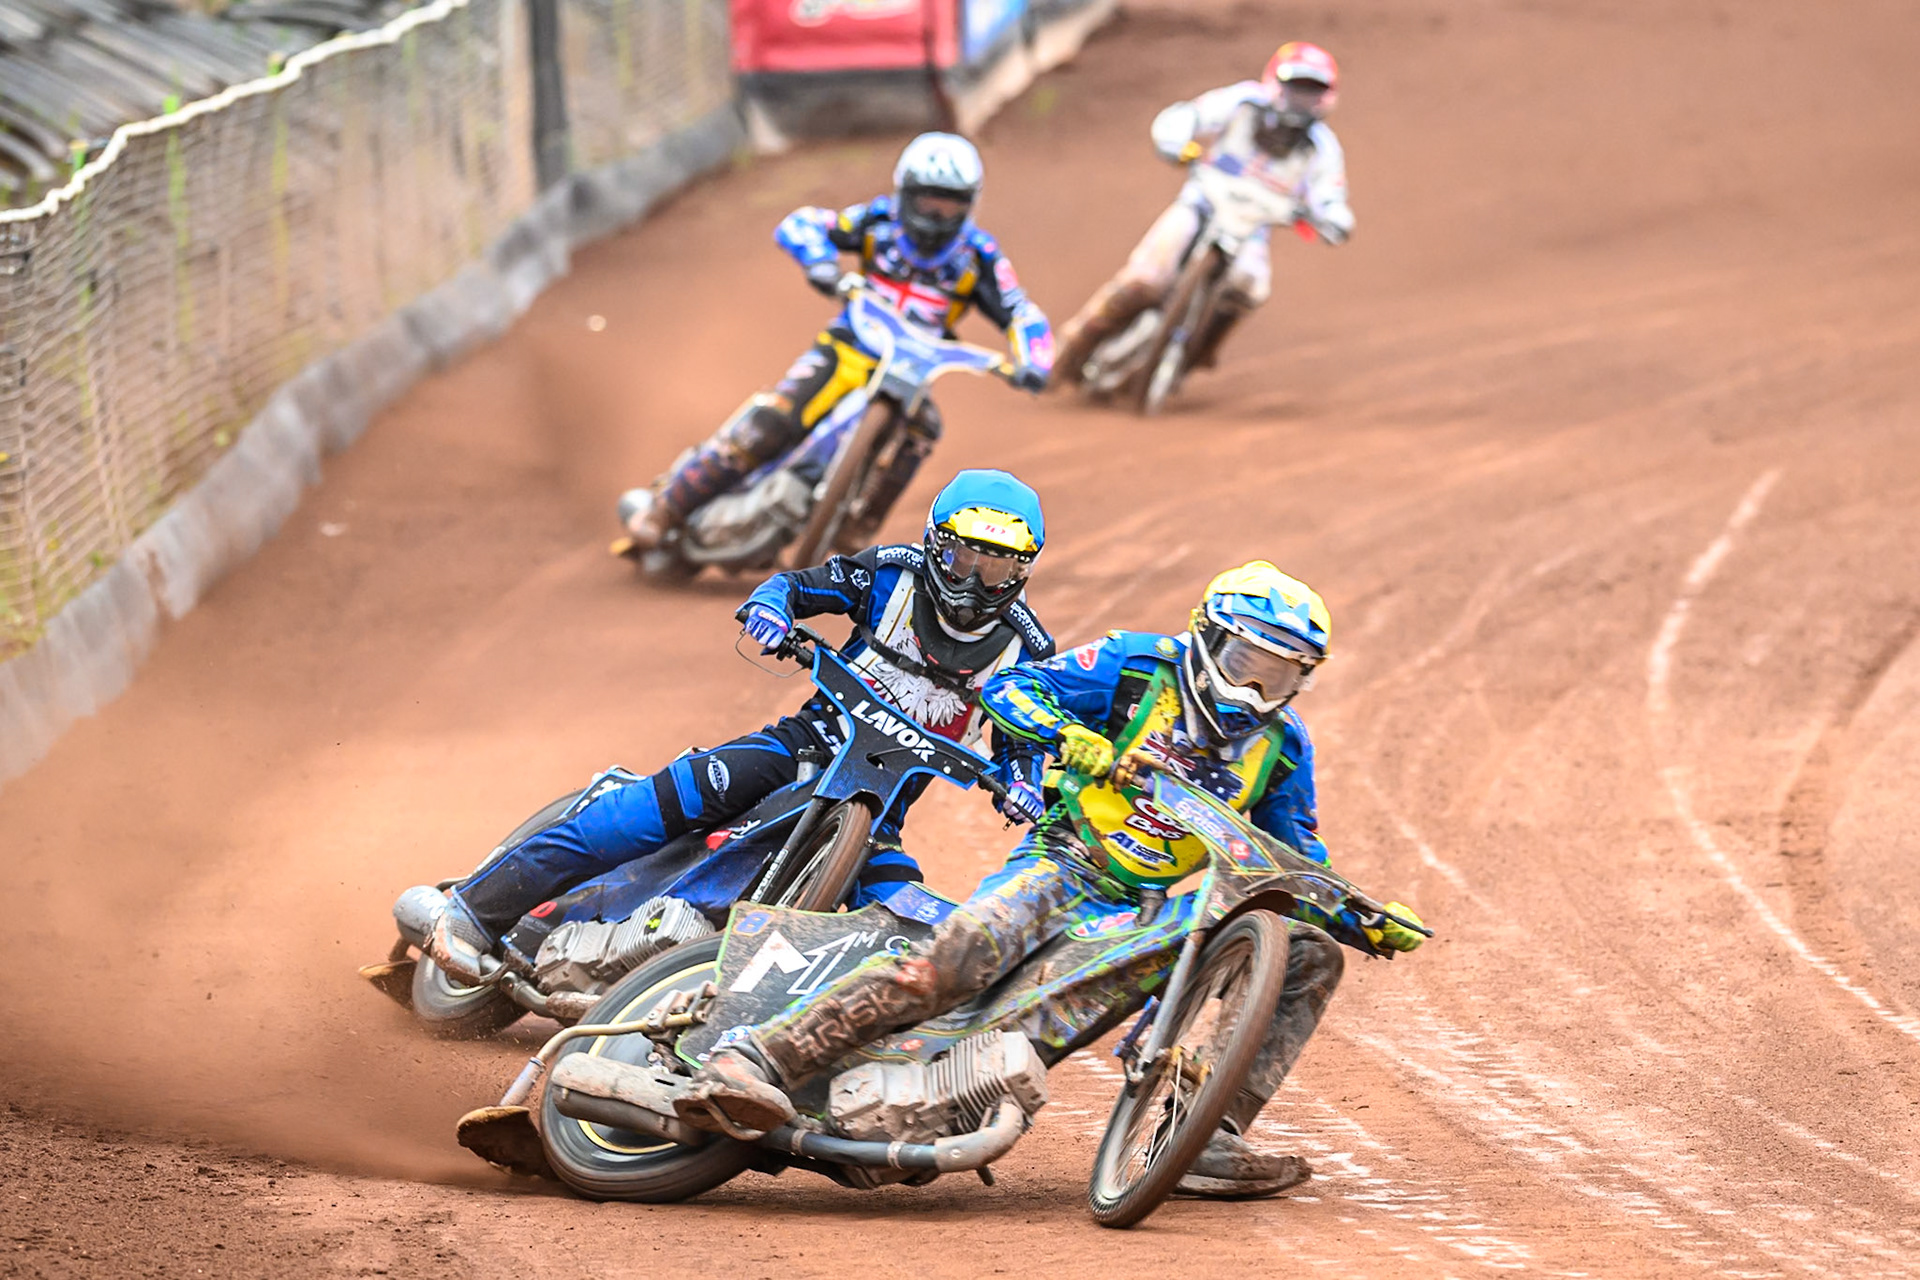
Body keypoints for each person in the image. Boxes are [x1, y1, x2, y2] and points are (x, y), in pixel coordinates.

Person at [674, 562, 1426, 1200]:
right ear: (1208, 639)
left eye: (1281, 675)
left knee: (1283, 959)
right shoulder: (1136, 665)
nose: (1255, 689)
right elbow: (1014, 692)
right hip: (1065, 859)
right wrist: (1076, 739)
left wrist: (1357, 915)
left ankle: (1204, 1137)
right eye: (1244, 665)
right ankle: (760, 1056)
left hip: (1154, 912)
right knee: (957, 959)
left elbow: (1292, 851)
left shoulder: (1282, 746)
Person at [425, 470, 1057, 982]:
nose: (974, 581)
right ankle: (475, 912)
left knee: (906, 927)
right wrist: (770, 608)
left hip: (879, 809)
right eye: (962, 558)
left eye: (996, 567)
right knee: (657, 806)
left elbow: (1025, 734)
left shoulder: (1027, 648)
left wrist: (1024, 780)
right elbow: (798, 586)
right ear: (933, 544)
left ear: (1022, 570)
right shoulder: (892, 570)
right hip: (802, 748)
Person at [620, 132, 1054, 555]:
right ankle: (665, 510)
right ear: (905, 192)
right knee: (775, 421)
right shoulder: (877, 222)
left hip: (917, 366)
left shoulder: (979, 256)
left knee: (925, 430)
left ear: (970, 204)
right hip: (850, 346)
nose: (937, 215)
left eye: (950, 204)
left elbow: (1021, 311)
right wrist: (821, 263)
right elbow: (804, 223)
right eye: (927, 201)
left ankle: (859, 526)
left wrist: (1034, 360)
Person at [1053, 42, 1355, 384]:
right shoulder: (1242, 104)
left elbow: (1331, 197)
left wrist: (1331, 219)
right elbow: (1189, 116)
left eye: (1310, 92)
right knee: (1145, 278)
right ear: (1276, 82)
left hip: (1250, 228)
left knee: (1251, 287)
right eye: (1296, 88)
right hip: (1200, 204)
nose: (1301, 100)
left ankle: (1198, 351)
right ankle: (1074, 342)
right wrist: (1175, 140)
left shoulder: (1322, 149)